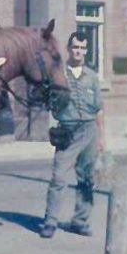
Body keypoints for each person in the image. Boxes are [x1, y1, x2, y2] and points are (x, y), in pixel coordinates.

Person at [40, 31, 105, 238]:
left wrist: (102, 137)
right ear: (68, 49)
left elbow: (99, 109)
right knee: (58, 177)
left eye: (81, 48)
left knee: (86, 178)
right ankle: (50, 222)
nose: (78, 51)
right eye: (74, 47)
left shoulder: (93, 77)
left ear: (86, 50)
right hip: (68, 130)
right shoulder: (59, 74)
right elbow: (49, 99)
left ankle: (80, 221)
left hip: (89, 130)